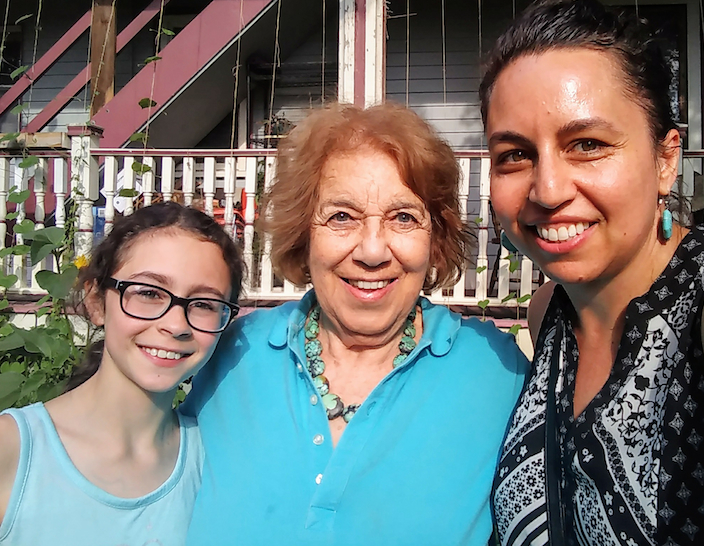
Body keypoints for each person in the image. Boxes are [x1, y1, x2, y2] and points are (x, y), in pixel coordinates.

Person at [182, 102, 529, 546]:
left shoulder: (494, 372)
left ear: (435, 239)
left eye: (403, 217)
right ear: (303, 234)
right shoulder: (232, 355)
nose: (371, 251)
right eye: (341, 216)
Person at [481, 0, 704, 545]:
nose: (547, 190)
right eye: (514, 154)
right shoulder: (547, 315)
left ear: (666, 159)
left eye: (587, 144)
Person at [0, 202, 244, 545]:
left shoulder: (218, 462)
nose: (175, 324)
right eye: (148, 293)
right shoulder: (13, 450)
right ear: (97, 301)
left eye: (204, 304)